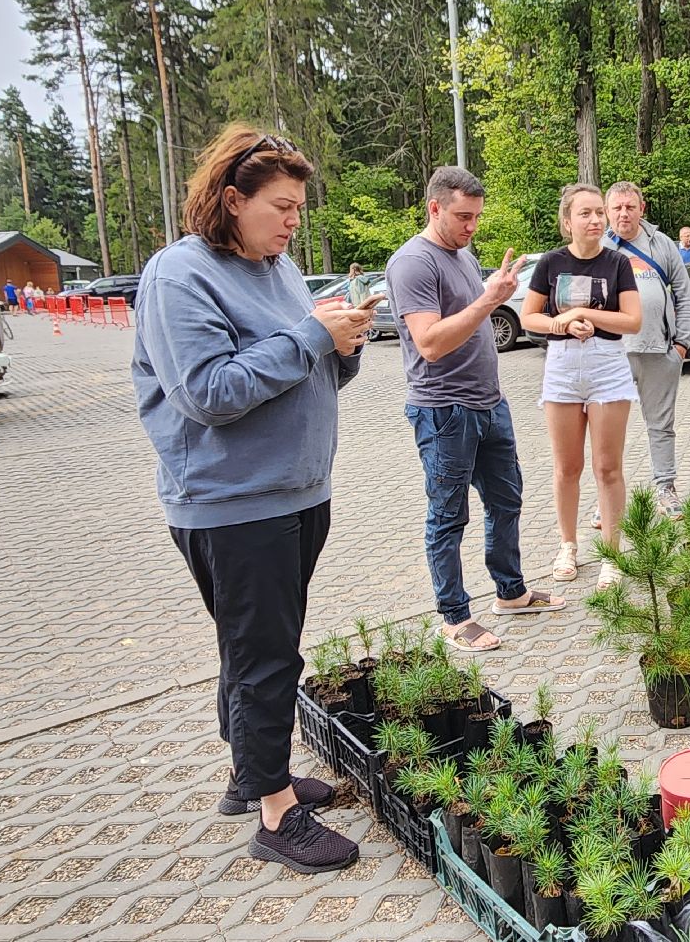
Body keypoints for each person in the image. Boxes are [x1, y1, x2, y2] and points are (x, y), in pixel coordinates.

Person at [131, 124, 372, 873]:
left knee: (254, 647)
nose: (295, 220)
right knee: (265, 655)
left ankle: (253, 773)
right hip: (233, 504)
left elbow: (306, 365)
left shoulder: (281, 268)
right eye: (282, 206)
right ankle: (276, 815)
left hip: (296, 492)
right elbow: (207, 393)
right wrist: (311, 339)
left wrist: (343, 346)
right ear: (233, 200)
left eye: (299, 207)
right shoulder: (180, 275)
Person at [386, 167, 562, 656]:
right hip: (444, 410)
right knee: (448, 515)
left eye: (477, 217)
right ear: (434, 208)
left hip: (489, 403)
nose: (472, 226)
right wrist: (489, 299)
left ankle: (511, 592)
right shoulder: (412, 263)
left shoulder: (463, 254)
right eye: (463, 216)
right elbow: (429, 344)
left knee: (507, 500)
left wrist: (491, 290)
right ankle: (454, 616)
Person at [522, 184, 642, 589]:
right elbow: (529, 317)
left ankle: (611, 553)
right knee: (566, 467)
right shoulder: (551, 262)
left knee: (608, 467)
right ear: (567, 221)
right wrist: (564, 323)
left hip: (607, 366)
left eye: (598, 213)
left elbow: (632, 320)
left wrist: (585, 315)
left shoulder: (617, 263)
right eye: (585, 213)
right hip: (562, 367)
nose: (595, 220)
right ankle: (568, 545)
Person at [603, 182, 690, 518]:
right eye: (617, 208)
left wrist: (682, 344)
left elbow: (684, 293)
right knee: (607, 428)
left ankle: (666, 488)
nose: (624, 213)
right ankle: (607, 495)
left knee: (661, 426)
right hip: (612, 353)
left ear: (642, 208)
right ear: (607, 211)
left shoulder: (662, 244)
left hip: (659, 351)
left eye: (630, 207)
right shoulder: (599, 246)